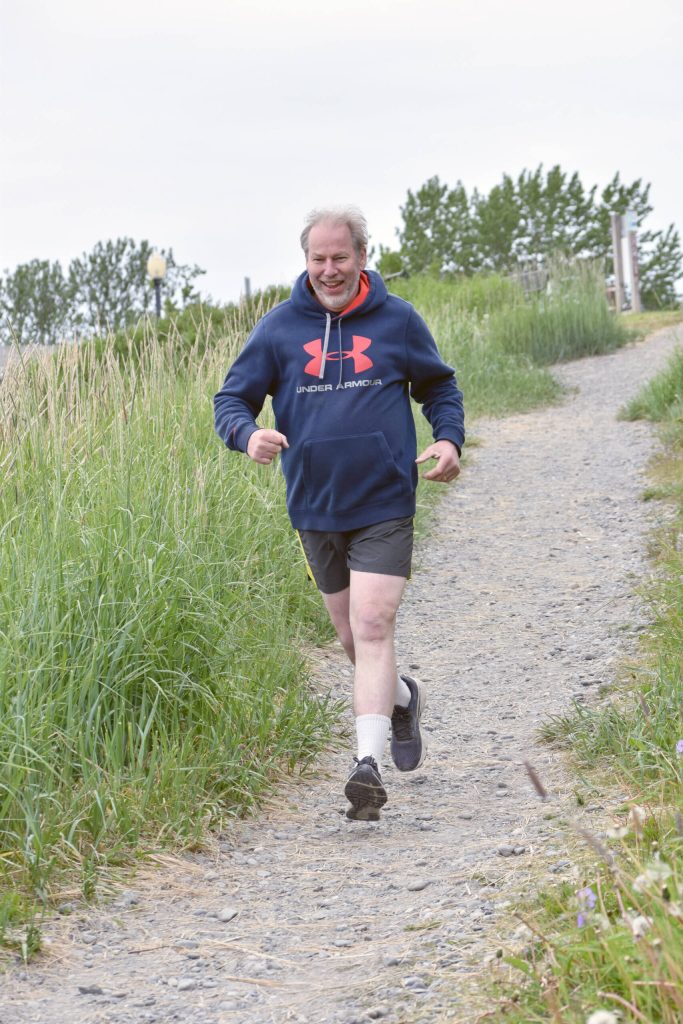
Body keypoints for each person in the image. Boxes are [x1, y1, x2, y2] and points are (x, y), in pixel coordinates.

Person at [214, 206, 464, 821]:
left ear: (361, 257)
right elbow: (231, 399)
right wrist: (246, 435)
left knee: (374, 624)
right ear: (307, 261)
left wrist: (449, 437)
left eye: (340, 258)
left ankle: (366, 767)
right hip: (315, 505)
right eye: (318, 259)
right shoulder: (277, 329)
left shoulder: (398, 320)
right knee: (354, 639)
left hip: (383, 498)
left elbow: (440, 387)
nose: (329, 270)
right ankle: (402, 700)